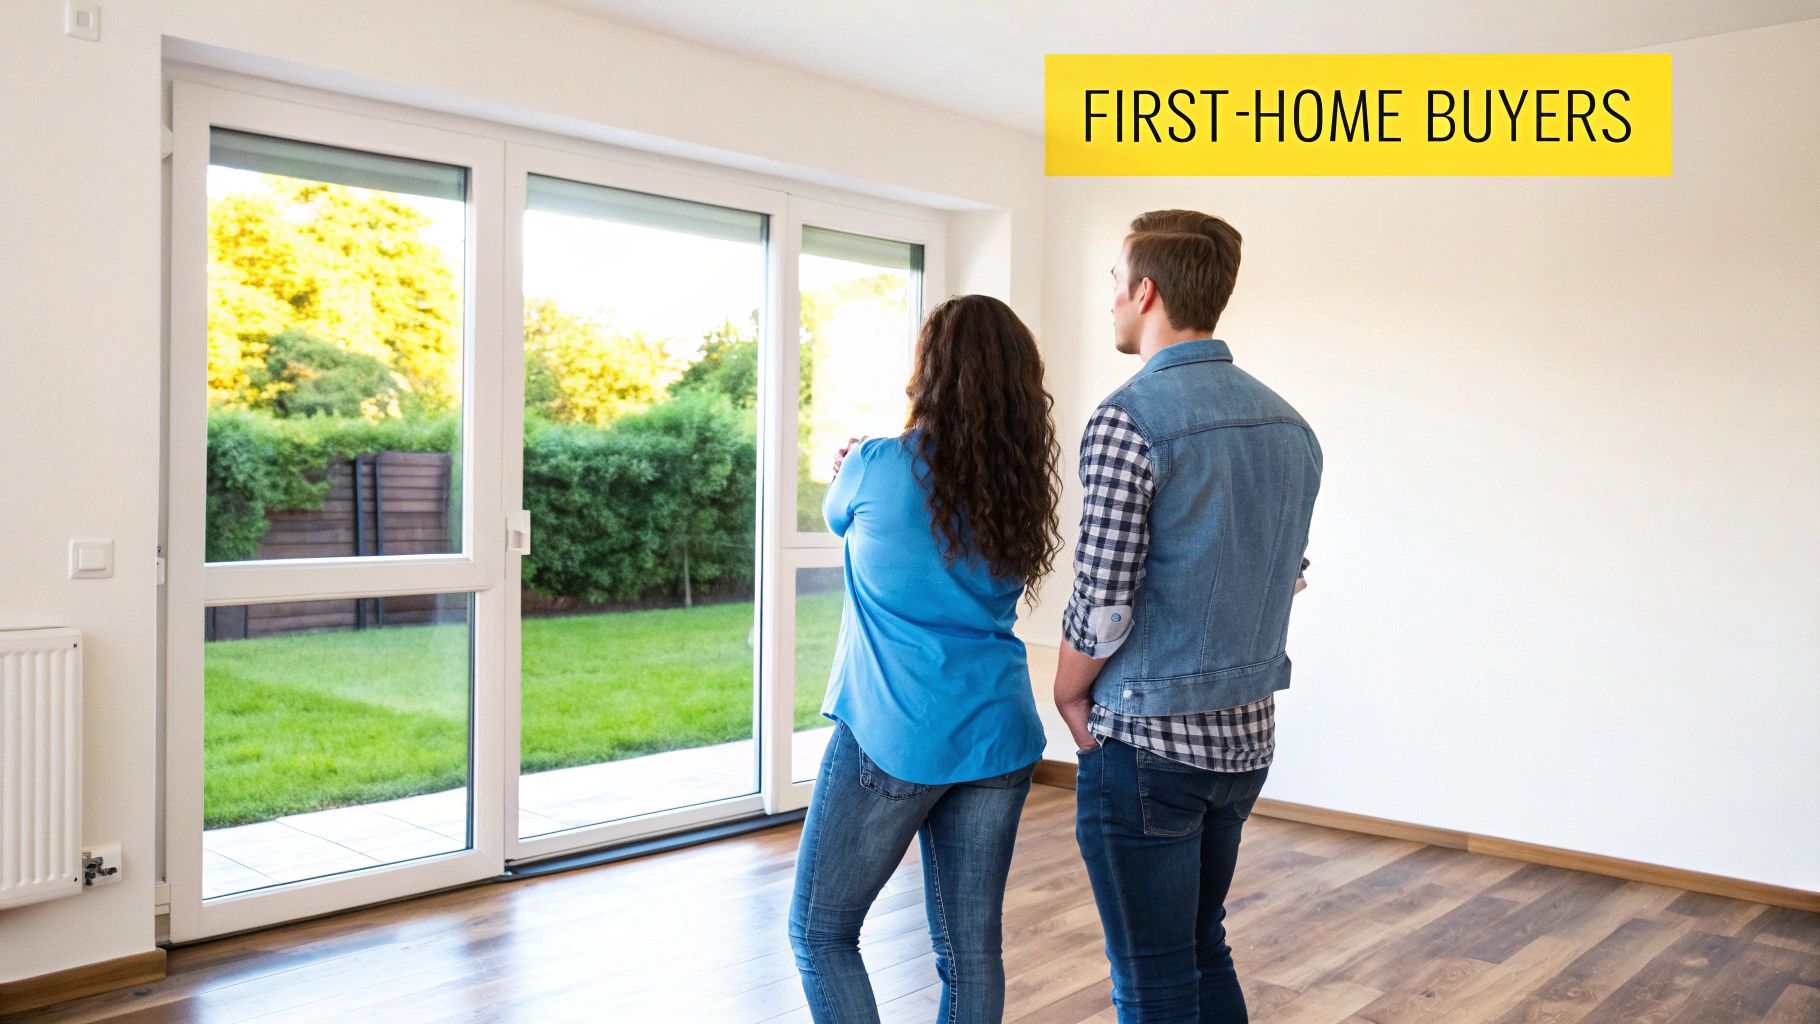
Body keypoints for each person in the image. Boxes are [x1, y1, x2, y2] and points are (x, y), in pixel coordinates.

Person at [1054, 210, 1322, 1022]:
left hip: (1146, 744)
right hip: (1244, 742)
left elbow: (1102, 601)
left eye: (1114, 284)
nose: (1110, 302)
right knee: (1204, 948)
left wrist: (1068, 693)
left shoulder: (1126, 419)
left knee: (1151, 978)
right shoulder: (1290, 426)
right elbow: (1287, 576)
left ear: (1147, 291)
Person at [789, 294, 1062, 1022]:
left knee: (820, 932)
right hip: (998, 734)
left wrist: (850, 459)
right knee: (971, 952)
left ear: (929, 372)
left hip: (893, 735)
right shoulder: (1020, 491)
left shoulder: (876, 466)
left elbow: (834, 512)